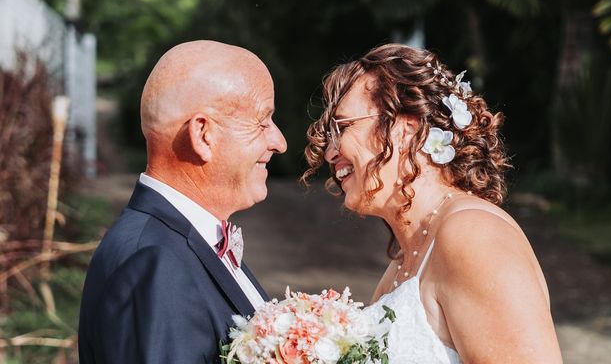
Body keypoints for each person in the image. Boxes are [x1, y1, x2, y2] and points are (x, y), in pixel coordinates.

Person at [303, 44, 563, 363]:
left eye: (342, 127)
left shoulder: (472, 234)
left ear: (406, 130)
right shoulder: (406, 258)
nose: (330, 152)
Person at [78, 40, 287, 363]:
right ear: (203, 135)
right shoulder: (156, 265)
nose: (279, 142)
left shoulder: (176, 243)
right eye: (261, 121)